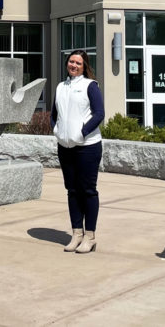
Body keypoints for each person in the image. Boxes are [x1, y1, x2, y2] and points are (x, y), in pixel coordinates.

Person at [51, 49, 104, 254]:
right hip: (65, 147)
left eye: (78, 63)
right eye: (71, 62)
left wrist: (82, 132)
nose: (73, 65)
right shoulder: (60, 87)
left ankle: (89, 236)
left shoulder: (90, 86)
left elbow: (99, 113)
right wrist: (56, 130)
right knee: (72, 191)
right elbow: (54, 114)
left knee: (87, 191)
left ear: (84, 66)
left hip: (87, 147)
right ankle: (76, 234)